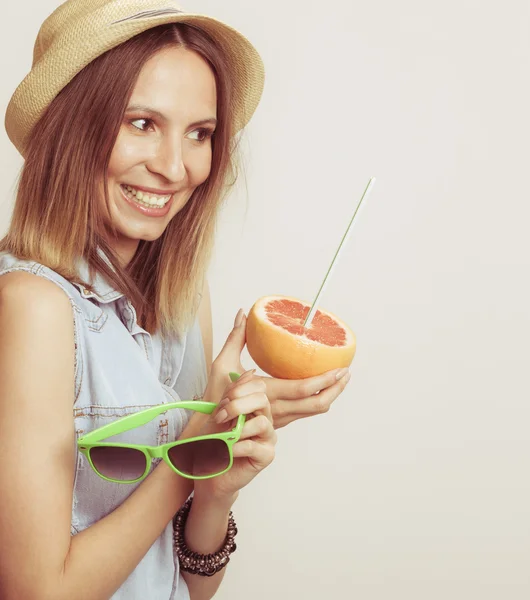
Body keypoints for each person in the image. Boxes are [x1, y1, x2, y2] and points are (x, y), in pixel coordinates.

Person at [0, 1, 352, 599]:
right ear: (71, 127)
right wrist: (193, 452)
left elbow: (192, 585)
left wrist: (217, 486)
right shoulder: (31, 307)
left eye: (200, 134)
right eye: (141, 123)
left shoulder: (185, 304)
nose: (173, 167)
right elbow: (38, 593)